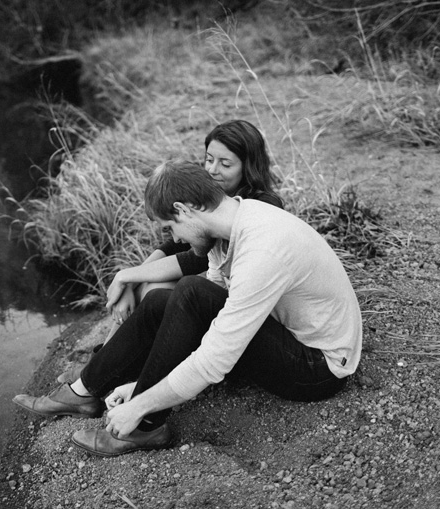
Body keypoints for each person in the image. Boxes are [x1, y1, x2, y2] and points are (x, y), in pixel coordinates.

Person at [13, 160, 362, 457]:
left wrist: (140, 403)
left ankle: (144, 428)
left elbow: (215, 357)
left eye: (171, 227)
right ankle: (84, 393)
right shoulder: (227, 228)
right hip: (286, 336)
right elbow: (198, 323)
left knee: (191, 291)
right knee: (161, 301)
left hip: (318, 368)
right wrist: (139, 385)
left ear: (183, 209)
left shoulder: (262, 250)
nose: (176, 239)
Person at [56, 119, 283, 384]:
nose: (212, 170)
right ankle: (104, 362)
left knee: (154, 291)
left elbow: (193, 258)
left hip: (236, 300)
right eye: (209, 159)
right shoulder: (208, 194)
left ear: (249, 165)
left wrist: (130, 276)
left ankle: (120, 371)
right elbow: (171, 246)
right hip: (210, 283)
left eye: (226, 164)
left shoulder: (260, 205)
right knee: (147, 285)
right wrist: (132, 278)